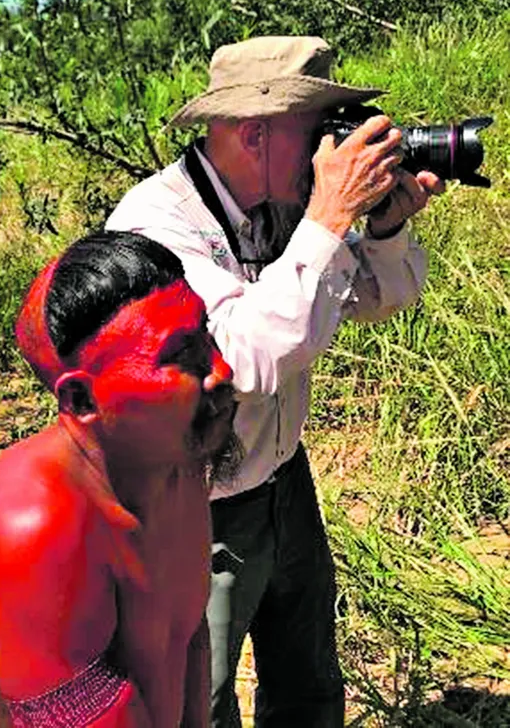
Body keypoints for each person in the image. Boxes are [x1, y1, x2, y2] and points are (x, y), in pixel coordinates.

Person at [106, 36, 444, 728]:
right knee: (200, 699)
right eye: (315, 129)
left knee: (307, 677)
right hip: (198, 507)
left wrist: (379, 229)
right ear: (254, 133)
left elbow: (383, 298)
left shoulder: (281, 202)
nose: (332, 148)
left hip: (285, 480)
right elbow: (243, 364)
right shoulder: (157, 225)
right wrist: (326, 219)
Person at [0, 229, 242, 728]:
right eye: (180, 355)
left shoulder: (175, 456)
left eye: (205, 334)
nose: (221, 369)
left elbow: (188, 636)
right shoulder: (32, 531)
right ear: (82, 402)